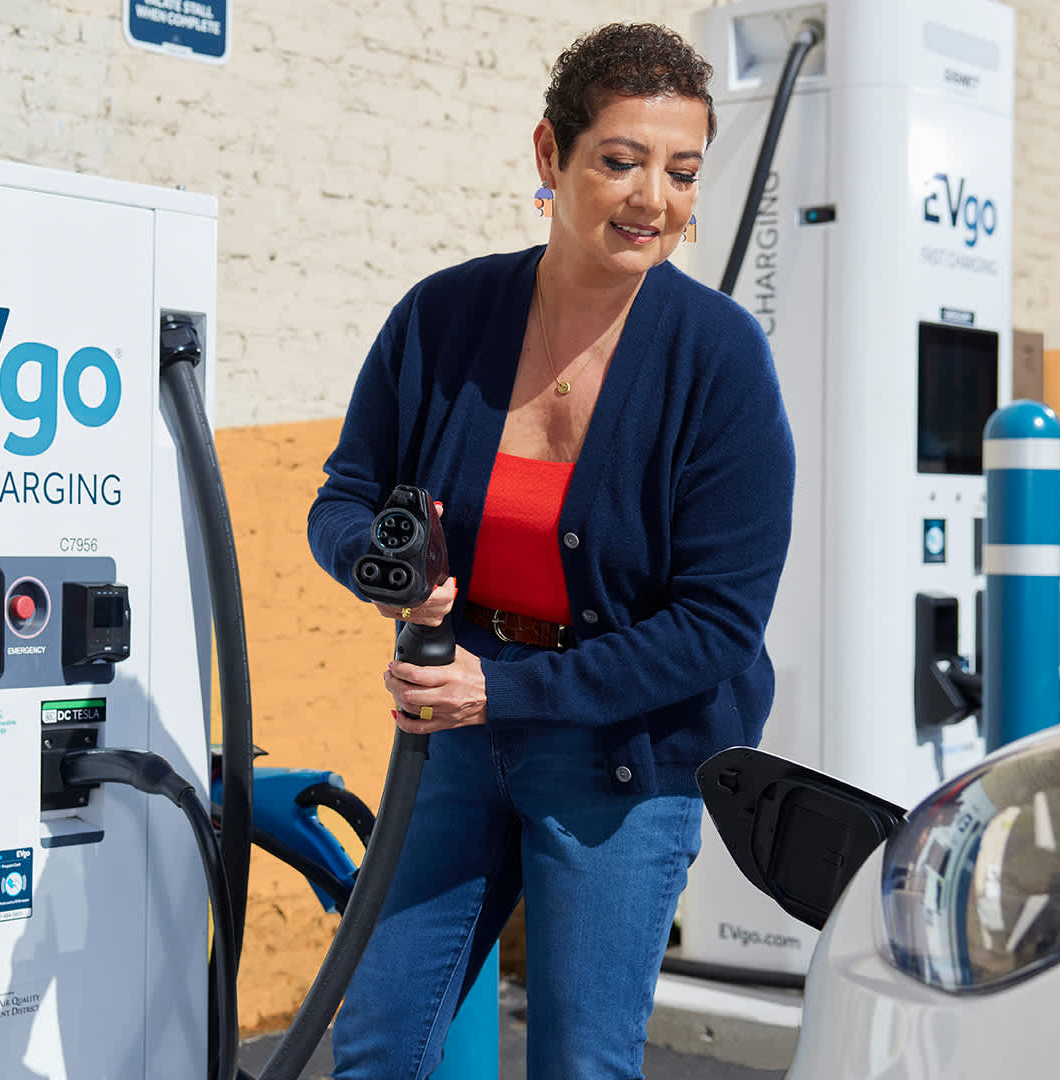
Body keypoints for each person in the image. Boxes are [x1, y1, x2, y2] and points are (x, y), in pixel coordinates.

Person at [305, 22, 797, 1080]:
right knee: (381, 1043)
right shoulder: (445, 317)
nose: (652, 200)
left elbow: (716, 628)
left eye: (680, 171)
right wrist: (380, 565)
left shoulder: (719, 360)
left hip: (628, 752)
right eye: (620, 162)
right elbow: (344, 497)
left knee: (581, 1062)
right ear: (550, 156)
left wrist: (508, 694)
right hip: (456, 727)